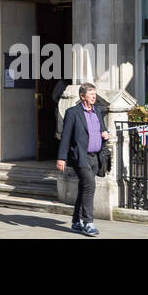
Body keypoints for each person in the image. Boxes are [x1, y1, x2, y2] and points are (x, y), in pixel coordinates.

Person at [57, 82, 110, 236]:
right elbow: (65, 136)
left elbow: (102, 129)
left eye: (95, 93)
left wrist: (104, 133)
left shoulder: (97, 111)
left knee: (84, 188)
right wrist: (61, 158)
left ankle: (75, 221)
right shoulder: (73, 113)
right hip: (80, 156)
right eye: (91, 94)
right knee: (90, 185)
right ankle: (88, 222)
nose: (94, 96)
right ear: (82, 96)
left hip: (95, 156)